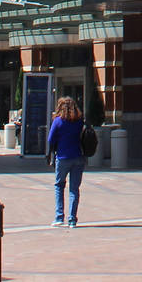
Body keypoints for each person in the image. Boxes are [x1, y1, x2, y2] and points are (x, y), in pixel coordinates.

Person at [46, 95, 88, 226]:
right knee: (74, 189)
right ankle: (72, 219)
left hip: (63, 157)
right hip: (78, 157)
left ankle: (59, 217)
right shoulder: (79, 121)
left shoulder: (58, 121)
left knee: (59, 186)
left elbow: (50, 139)